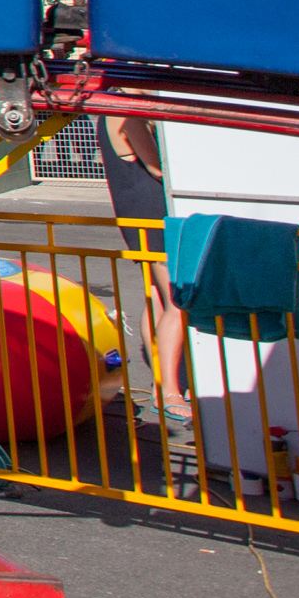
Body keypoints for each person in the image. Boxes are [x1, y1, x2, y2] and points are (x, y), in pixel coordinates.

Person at [99, 113, 190, 424]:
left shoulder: (110, 111)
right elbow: (157, 169)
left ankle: (163, 383)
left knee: (156, 298)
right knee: (176, 302)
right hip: (152, 213)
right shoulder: (127, 113)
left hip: (136, 211)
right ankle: (169, 391)